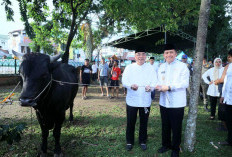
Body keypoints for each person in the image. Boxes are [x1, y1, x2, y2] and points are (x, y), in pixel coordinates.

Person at [156, 44, 189, 157]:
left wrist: (169, 87)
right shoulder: (161, 67)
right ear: (164, 55)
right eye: (166, 52)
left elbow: (185, 83)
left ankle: (175, 148)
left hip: (177, 103)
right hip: (163, 101)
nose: (169, 54)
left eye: (171, 52)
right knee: (165, 125)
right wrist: (155, 87)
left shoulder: (182, 66)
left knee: (176, 126)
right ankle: (166, 145)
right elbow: (158, 82)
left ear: (175, 54)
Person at [122, 50, 157, 151]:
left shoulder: (150, 68)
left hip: (145, 100)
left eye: (143, 54)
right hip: (132, 100)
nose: (141, 57)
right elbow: (124, 81)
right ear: (135, 56)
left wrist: (150, 87)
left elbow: (154, 81)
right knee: (130, 121)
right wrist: (130, 86)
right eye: (138, 55)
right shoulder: (129, 67)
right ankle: (129, 141)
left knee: (144, 122)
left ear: (146, 56)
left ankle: (142, 140)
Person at [216, 49, 232, 146]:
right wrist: (223, 95)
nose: (228, 58)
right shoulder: (229, 67)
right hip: (228, 98)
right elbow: (225, 81)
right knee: (229, 119)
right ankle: (230, 140)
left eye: (229, 56)